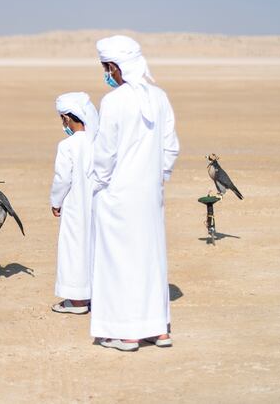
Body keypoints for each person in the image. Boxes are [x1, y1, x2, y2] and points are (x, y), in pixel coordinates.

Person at [90, 35, 180, 351]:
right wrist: (155, 178)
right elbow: (171, 147)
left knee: (119, 262)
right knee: (150, 259)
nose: (106, 74)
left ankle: (127, 333)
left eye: (106, 68)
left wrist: (101, 185)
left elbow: (104, 155)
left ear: (115, 67)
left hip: (118, 196)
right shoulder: (160, 97)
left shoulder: (113, 102)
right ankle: (159, 329)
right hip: (149, 195)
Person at [50, 92, 99, 315]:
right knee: (96, 247)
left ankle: (77, 301)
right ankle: (96, 294)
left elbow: (62, 178)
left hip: (75, 205)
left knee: (74, 248)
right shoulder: (98, 142)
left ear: (67, 118)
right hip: (98, 205)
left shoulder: (67, 145)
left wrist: (55, 201)